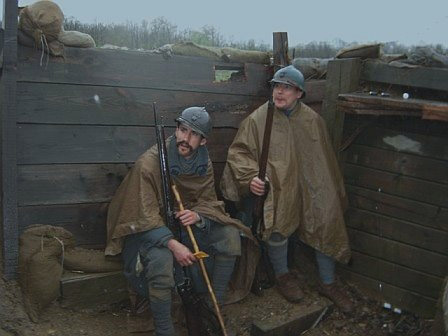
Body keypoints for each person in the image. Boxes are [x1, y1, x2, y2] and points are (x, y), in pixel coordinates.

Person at [220, 65, 354, 313]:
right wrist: (251, 178)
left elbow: (323, 163)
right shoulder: (259, 119)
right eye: (277, 86)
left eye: (287, 88)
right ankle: (282, 275)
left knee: (326, 218)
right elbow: (239, 153)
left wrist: (326, 191)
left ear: (299, 93)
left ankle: (328, 282)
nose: (280, 92)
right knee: (277, 219)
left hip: (311, 186)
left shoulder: (313, 121)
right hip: (278, 187)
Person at [105, 107, 247, 336]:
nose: (184, 138)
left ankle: (214, 305)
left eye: (193, 134)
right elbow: (140, 215)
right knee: (161, 262)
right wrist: (173, 244)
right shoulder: (149, 164)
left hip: (186, 228)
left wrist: (199, 216)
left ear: (203, 141)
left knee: (230, 236)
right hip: (148, 233)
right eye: (182, 130)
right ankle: (164, 329)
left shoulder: (203, 163)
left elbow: (207, 201)